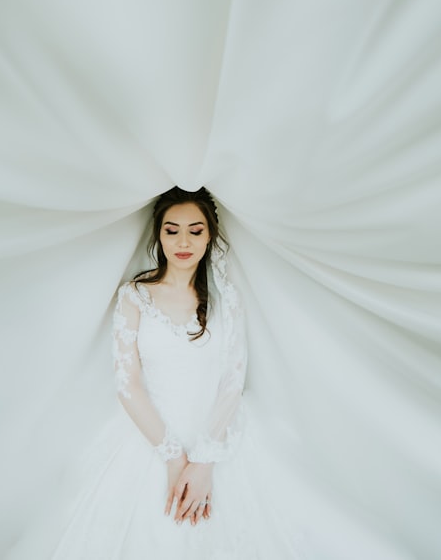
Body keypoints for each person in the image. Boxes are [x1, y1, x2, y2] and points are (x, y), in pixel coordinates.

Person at [46, 186, 289, 558]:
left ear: (210, 236)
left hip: (217, 437)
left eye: (196, 230)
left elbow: (233, 381)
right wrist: (175, 459)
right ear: (158, 234)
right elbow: (128, 385)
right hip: (151, 438)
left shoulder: (228, 298)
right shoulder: (135, 295)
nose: (183, 241)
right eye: (171, 230)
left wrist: (204, 461)